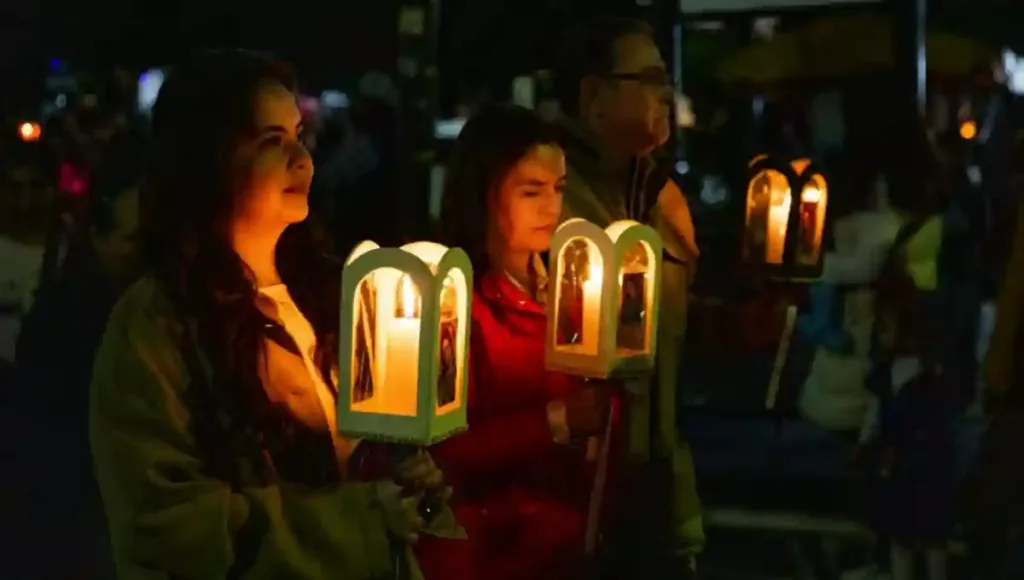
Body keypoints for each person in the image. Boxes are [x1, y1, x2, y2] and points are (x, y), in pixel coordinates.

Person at [88, 50, 457, 579]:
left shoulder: (331, 295)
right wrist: (357, 519)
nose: (302, 159)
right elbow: (165, 522)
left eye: (300, 135)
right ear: (208, 161)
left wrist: (404, 478)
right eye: (271, 141)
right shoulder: (155, 327)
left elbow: (364, 458)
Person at [419, 104, 617, 580]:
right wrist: (558, 421)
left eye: (558, 189)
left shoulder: (573, 288)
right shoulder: (454, 302)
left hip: (573, 541)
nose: (551, 207)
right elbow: (442, 450)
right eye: (531, 191)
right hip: (492, 551)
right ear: (484, 194)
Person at [554, 17, 702, 576]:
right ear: (594, 96)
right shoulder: (547, 202)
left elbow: (672, 330)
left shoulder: (662, 197)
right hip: (577, 502)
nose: (667, 94)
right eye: (651, 79)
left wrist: (736, 325)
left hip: (660, 490)